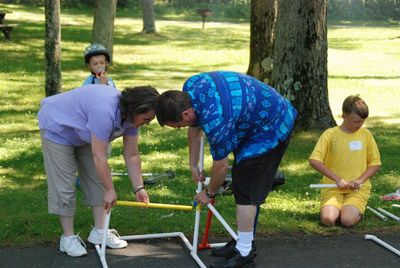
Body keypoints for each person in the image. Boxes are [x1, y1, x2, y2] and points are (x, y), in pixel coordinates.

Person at [156, 71, 297, 268]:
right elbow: (194, 128)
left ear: (185, 114)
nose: (180, 128)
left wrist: (208, 192)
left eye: (178, 126)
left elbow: (220, 167)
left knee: (245, 189)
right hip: (254, 117)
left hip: (272, 125)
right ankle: (242, 241)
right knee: (243, 181)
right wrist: (193, 164)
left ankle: (246, 252)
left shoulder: (216, 121)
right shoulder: (191, 87)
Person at [38, 85, 159, 257]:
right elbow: (99, 156)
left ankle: (100, 231)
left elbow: (131, 154)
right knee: (64, 184)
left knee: (97, 179)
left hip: (86, 130)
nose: (147, 123)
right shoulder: (104, 111)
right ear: (137, 110)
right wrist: (110, 190)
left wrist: (139, 188)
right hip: (58, 128)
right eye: (146, 119)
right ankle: (68, 238)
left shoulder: (132, 118)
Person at [309, 95, 381, 227]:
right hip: (333, 188)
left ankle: (349, 211)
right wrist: (337, 179)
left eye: (362, 121)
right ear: (344, 116)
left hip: (357, 189)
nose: (359, 125)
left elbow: (375, 164)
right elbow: (314, 161)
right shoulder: (330, 134)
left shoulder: (366, 135)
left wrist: (359, 180)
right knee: (328, 220)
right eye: (355, 121)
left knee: (347, 221)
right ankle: (338, 209)